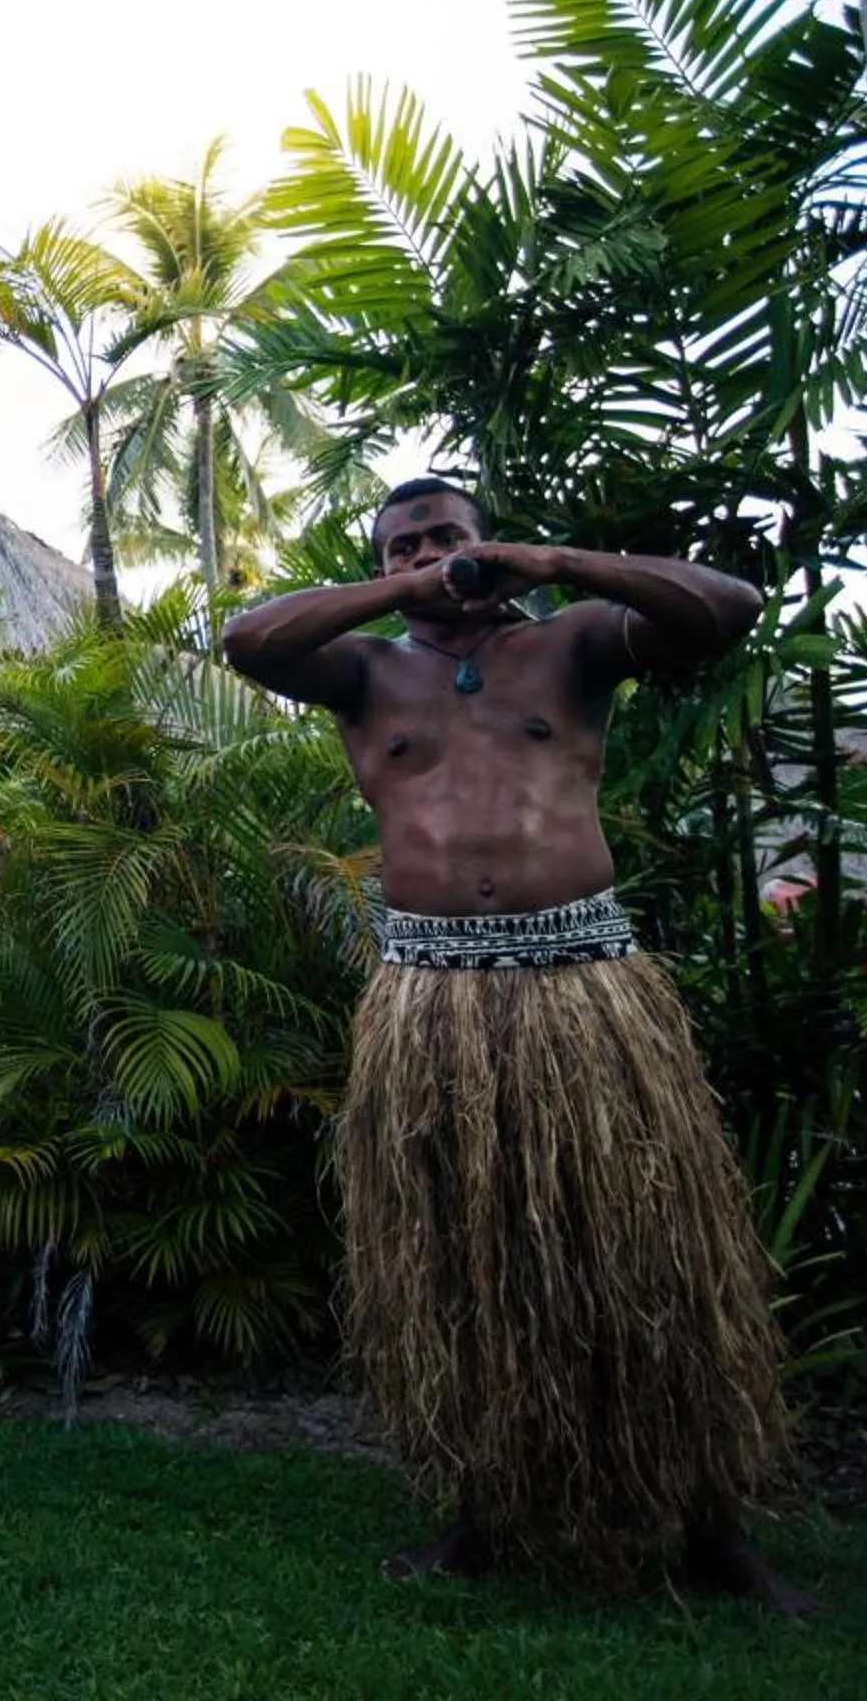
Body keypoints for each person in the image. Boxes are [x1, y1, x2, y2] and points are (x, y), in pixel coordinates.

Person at [220, 477, 804, 1612]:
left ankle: (709, 1531)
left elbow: (725, 606)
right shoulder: (364, 671)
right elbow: (247, 638)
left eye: (449, 536)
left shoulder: (574, 645)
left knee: (650, 1265)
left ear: (488, 542)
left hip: (584, 994)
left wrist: (555, 564)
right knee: (463, 1271)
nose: (434, 555)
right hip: (430, 1002)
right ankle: (484, 1515)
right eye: (405, 543)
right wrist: (398, 590)